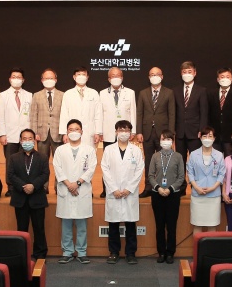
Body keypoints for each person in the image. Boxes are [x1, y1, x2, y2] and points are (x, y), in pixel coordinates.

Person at [53, 119, 98, 264]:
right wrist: (69, 184)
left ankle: (81, 252)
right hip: (65, 190)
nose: (74, 132)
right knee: (66, 224)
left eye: (76, 129)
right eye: (71, 129)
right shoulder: (60, 150)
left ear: (82, 132)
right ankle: (67, 251)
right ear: (66, 132)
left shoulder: (89, 150)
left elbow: (91, 169)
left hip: (82, 189)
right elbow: (57, 169)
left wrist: (77, 183)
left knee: (81, 224)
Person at [101, 120, 144, 265]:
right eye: (121, 130)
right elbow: (105, 169)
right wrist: (113, 189)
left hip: (129, 193)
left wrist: (129, 189)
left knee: (130, 224)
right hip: (113, 192)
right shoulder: (109, 150)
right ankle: (114, 252)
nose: (123, 133)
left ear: (130, 133)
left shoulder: (136, 150)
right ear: (116, 132)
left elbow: (139, 170)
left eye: (126, 130)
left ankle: (131, 253)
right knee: (113, 224)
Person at [7, 128, 49, 259]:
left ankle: (40, 254)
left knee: (39, 228)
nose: (27, 141)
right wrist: (23, 186)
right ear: (20, 141)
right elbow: (11, 175)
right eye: (24, 139)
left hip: (37, 198)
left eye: (30, 139)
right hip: (20, 198)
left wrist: (33, 186)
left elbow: (45, 174)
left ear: (34, 140)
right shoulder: (13, 158)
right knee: (21, 229)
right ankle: (22, 254)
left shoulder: (42, 157)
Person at [137, 67, 176, 198]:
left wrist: (170, 134)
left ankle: (162, 187)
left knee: (163, 161)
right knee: (148, 161)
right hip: (147, 132)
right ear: (149, 77)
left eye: (157, 74)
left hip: (163, 134)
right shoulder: (143, 93)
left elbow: (172, 114)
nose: (155, 76)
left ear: (162, 76)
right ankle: (148, 187)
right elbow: (139, 113)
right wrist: (139, 131)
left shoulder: (169, 93)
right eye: (152, 74)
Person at [99, 67, 137, 198]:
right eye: (113, 76)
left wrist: (133, 131)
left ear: (122, 77)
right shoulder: (102, 93)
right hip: (108, 133)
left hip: (125, 132)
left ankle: (125, 187)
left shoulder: (130, 92)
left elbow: (133, 112)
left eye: (118, 75)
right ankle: (106, 189)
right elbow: (100, 114)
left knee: (125, 161)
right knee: (108, 162)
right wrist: (99, 131)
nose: (116, 78)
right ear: (109, 79)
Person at [148, 130, 184, 264]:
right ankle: (161, 252)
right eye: (164, 139)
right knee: (159, 226)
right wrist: (158, 188)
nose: (166, 141)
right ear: (160, 141)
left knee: (171, 226)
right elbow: (150, 175)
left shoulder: (178, 156)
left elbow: (181, 177)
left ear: (172, 142)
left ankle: (170, 253)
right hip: (157, 194)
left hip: (173, 194)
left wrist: (170, 189)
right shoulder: (155, 156)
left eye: (169, 139)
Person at [0, 67, 33, 197]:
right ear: (9, 79)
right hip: (9, 135)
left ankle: (23, 185)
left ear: (23, 80)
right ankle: (11, 187)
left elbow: (31, 116)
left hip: (26, 136)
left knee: (25, 161)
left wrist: (31, 135)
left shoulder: (29, 95)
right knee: (10, 162)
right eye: (14, 77)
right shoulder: (3, 96)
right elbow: (0, 116)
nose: (16, 79)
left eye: (19, 77)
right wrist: (2, 134)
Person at [175, 61, 208, 194]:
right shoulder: (176, 90)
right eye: (184, 72)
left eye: (189, 72)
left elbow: (204, 112)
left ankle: (196, 186)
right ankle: (181, 187)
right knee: (180, 161)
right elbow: (174, 112)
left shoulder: (201, 90)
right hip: (179, 132)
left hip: (195, 132)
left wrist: (202, 130)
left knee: (196, 161)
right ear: (181, 74)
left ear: (195, 73)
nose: (187, 74)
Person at [186, 127, 226, 235]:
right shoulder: (193, 154)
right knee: (197, 225)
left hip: (214, 195)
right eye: (205, 136)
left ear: (214, 138)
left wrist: (213, 187)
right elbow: (190, 173)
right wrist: (196, 188)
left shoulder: (219, 155)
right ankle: (197, 247)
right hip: (197, 194)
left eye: (210, 136)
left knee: (212, 225)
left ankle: (210, 247)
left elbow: (221, 174)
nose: (207, 138)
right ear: (200, 138)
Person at [59, 66, 102, 149]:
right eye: (79, 74)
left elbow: (98, 114)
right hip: (73, 132)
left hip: (89, 133)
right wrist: (64, 133)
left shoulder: (94, 93)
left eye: (83, 74)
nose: (81, 76)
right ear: (74, 77)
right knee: (73, 153)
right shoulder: (68, 94)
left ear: (87, 77)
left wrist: (98, 132)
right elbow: (64, 115)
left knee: (89, 153)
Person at [207, 68, 232, 158]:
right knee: (214, 160)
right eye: (222, 77)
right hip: (215, 134)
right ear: (218, 79)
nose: (225, 79)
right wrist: (209, 131)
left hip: (230, 135)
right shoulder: (211, 94)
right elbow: (208, 113)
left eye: (227, 77)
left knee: (230, 159)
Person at [31, 68, 64, 161]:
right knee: (42, 161)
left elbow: (65, 115)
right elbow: (33, 116)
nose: (49, 80)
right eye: (46, 78)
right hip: (41, 134)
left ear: (56, 80)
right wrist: (34, 133)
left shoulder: (63, 95)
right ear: (42, 80)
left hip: (58, 134)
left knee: (59, 161)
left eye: (51, 78)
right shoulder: (36, 95)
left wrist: (64, 133)